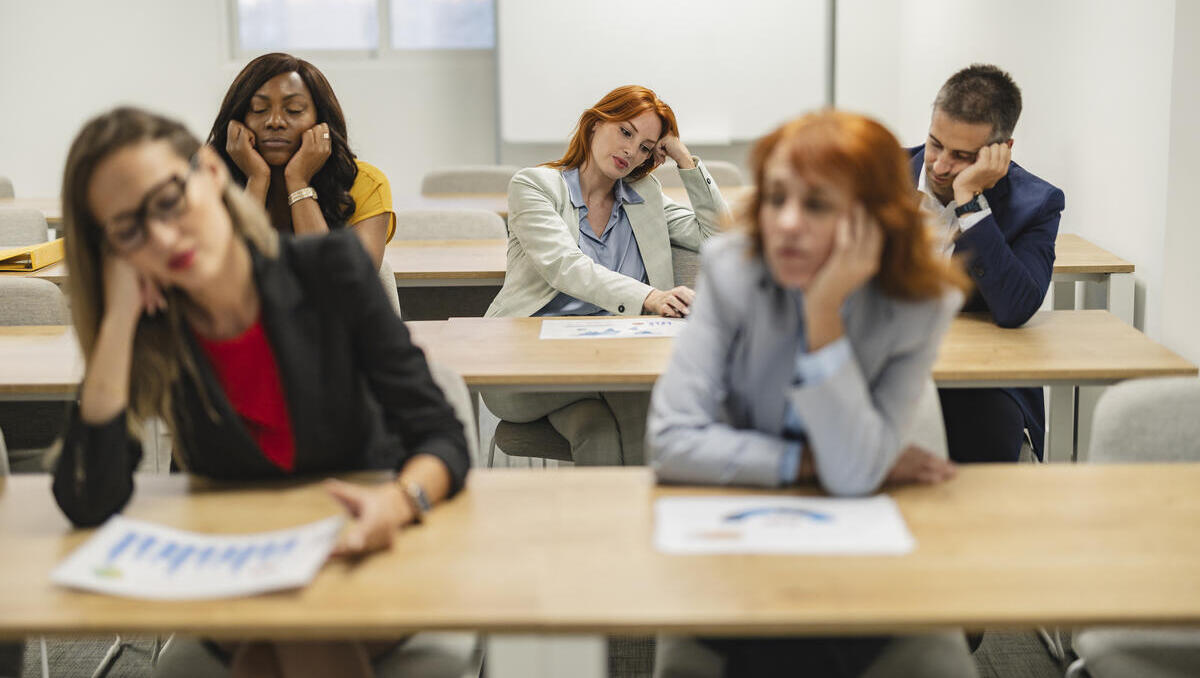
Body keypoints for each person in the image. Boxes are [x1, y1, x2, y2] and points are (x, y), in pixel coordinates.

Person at [53, 107, 469, 678]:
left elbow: (442, 436)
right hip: (240, 576)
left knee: (283, 644)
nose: (163, 236)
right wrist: (119, 317)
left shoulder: (328, 269)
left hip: (362, 556)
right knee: (284, 629)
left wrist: (396, 504)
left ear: (211, 173)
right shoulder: (160, 331)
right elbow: (88, 498)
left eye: (168, 201)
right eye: (128, 230)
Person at [648, 111, 975, 677]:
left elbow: (852, 477)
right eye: (776, 199)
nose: (788, 223)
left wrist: (823, 315)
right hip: (733, 534)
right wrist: (808, 461)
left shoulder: (918, 303)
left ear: (872, 220)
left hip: (857, 555)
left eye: (818, 205)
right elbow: (671, 442)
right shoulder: (733, 269)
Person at [483, 85, 727, 467]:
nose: (632, 151)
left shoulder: (643, 197)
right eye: (626, 132)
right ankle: (641, 518)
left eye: (647, 146)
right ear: (595, 125)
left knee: (596, 432)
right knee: (641, 402)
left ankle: (611, 525)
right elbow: (566, 266)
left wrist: (683, 158)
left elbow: (718, 235)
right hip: (524, 365)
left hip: (612, 357)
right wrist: (649, 297)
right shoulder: (535, 186)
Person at [912, 64, 1065, 463]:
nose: (941, 166)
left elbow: (1015, 307)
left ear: (1002, 151)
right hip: (878, 366)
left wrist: (970, 202)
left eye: (962, 156)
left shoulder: (1036, 203)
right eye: (935, 144)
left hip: (978, 386)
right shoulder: (878, 175)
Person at [208, 53, 395, 270]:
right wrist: (256, 180)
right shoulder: (209, 181)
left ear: (321, 121)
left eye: (294, 110)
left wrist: (298, 183)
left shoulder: (365, 183)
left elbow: (347, 287)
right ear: (238, 120)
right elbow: (225, 277)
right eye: (259, 109)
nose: (275, 122)